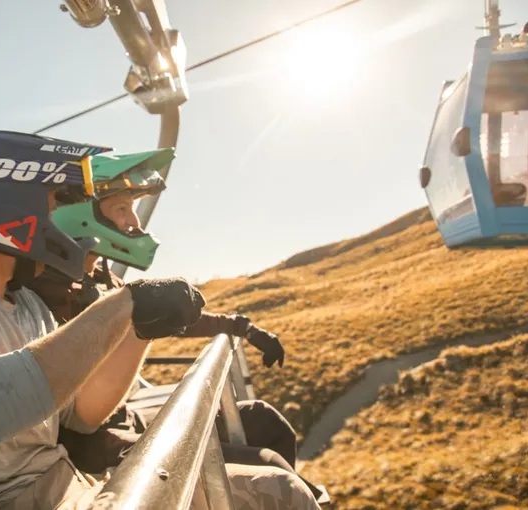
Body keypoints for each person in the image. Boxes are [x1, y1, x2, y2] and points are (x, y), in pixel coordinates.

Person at [0, 130, 320, 510]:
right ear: (6, 204)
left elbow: (80, 415)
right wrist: (121, 305)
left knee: (281, 494)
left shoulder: (27, 307)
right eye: (56, 202)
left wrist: (139, 328)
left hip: (66, 489)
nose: (67, 220)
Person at [30, 148, 328, 502]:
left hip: (128, 417)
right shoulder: (51, 289)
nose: (135, 224)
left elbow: (167, 318)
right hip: (97, 445)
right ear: (82, 213)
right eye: (122, 209)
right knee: (272, 471)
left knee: (266, 421)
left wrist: (242, 327)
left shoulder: (99, 276)